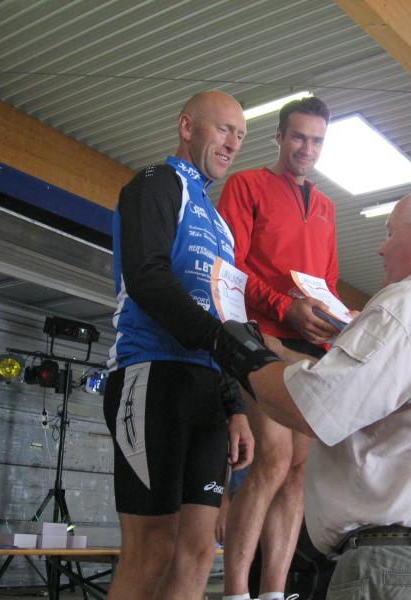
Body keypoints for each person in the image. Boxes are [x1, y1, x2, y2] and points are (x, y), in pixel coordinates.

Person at [220, 182, 411, 599]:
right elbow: (370, 392)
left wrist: (242, 354)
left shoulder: (409, 304)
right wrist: (280, 351)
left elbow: (309, 408)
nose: (381, 248)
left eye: (389, 232)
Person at [103, 90, 255, 600]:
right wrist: (219, 339)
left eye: (240, 136)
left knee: (197, 551)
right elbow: (147, 277)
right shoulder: (155, 184)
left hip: (208, 392)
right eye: (223, 129)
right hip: (152, 374)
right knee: (152, 549)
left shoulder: (223, 227)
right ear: (187, 127)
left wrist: (236, 408)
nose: (232, 144)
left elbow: (226, 314)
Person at [216, 96, 340, 600]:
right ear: (280, 136)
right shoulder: (246, 185)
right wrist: (282, 308)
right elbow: (231, 267)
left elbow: (327, 283)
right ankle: (236, 591)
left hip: (310, 344)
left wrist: (334, 323)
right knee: (274, 458)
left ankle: (273, 591)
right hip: (259, 334)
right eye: (298, 137)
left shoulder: (327, 207)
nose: (307, 149)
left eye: (317, 141)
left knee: (298, 471)